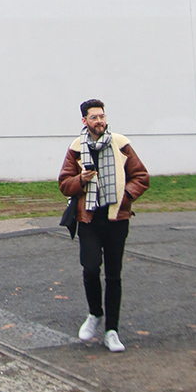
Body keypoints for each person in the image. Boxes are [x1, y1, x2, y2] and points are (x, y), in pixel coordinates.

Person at [58, 99, 149, 352]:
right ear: (84, 121)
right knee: (89, 269)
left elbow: (141, 177)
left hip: (116, 219)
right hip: (88, 219)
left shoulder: (121, 144)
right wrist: (80, 179)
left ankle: (112, 331)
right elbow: (64, 183)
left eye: (102, 116)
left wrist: (126, 197)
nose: (99, 121)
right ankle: (94, 313)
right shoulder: (77, 148)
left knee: (113, 275)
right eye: (94, 117)